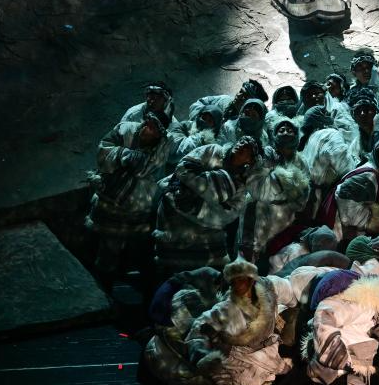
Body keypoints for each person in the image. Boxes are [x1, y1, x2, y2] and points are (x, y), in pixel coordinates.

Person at [143, 257, 294, 385]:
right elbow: (199, 330)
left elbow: (284, 289)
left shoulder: (264, 290)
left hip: (245, 348)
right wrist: (202, 356)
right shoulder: (222, 310)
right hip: (216, 348)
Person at [85, 111, 172, 286]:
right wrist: (125, 155)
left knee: (136, 249)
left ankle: (131, 280)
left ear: (159, 134)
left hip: (136, 207)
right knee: (108, 247)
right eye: (147, 124)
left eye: (153, 129)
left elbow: (144, 168)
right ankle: (104, 284)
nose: (146, 129)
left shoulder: (163, 144)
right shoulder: (125, 130)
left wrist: (124, 160)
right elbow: (103, 151)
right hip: (109, 201)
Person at [152, 136, 262, 276]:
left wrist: (196, 204)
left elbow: (226, 215)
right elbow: (183, 167)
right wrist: (208, 195)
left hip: (204, 238)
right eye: (241, 141)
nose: (242, 145)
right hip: (173, 218)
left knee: (201, 276)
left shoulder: (241, 185)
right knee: (169, 272)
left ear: (250, 160)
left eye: (247, 148)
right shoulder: (213, 150)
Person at [305, 272, 379, 385]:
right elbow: (326, 312)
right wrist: (333, 348)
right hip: (344, 347)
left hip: (365, 354)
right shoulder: (364, 300)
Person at [237, 119, 311, 267]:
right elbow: (257, 185)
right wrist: (288, 187)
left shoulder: (301, 161)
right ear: (274, 135)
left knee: (277, 259)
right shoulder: (266, 154)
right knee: (250, 256)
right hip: (258, 213)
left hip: (286, 218)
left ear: (296, 136)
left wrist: (283, 191)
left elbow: (304, 193)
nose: (285, 132)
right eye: (281, 130)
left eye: (289, 130)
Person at [331, 139, 379, 243]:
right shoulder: (368, 177)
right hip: (351, 233)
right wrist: (371, 221)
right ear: (376, 156)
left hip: (370, 233)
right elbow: (346, 208)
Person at [189, 79, 268, 124]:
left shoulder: (246, 125)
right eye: (240, 91)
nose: (239, 96)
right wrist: (200, 119)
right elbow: (199, 103)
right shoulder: (224, 100)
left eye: (245, 97)